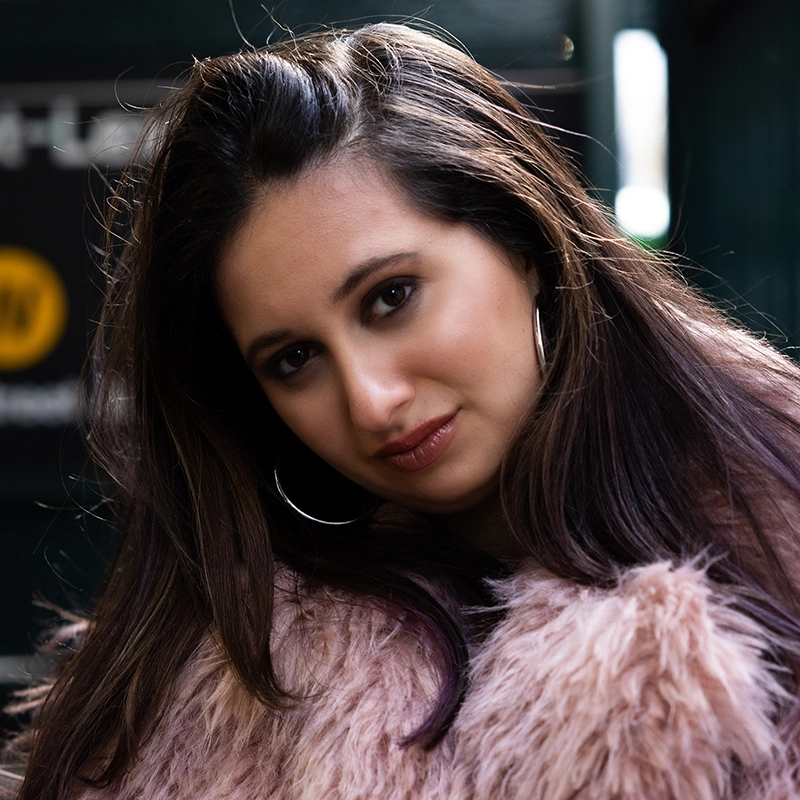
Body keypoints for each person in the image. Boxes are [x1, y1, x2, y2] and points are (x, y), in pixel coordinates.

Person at [9, 21, 800, 800]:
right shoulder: (220, 691)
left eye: (391, 298)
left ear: (522, 242)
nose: (370, 400)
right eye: (294, 360)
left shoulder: (775, 527)